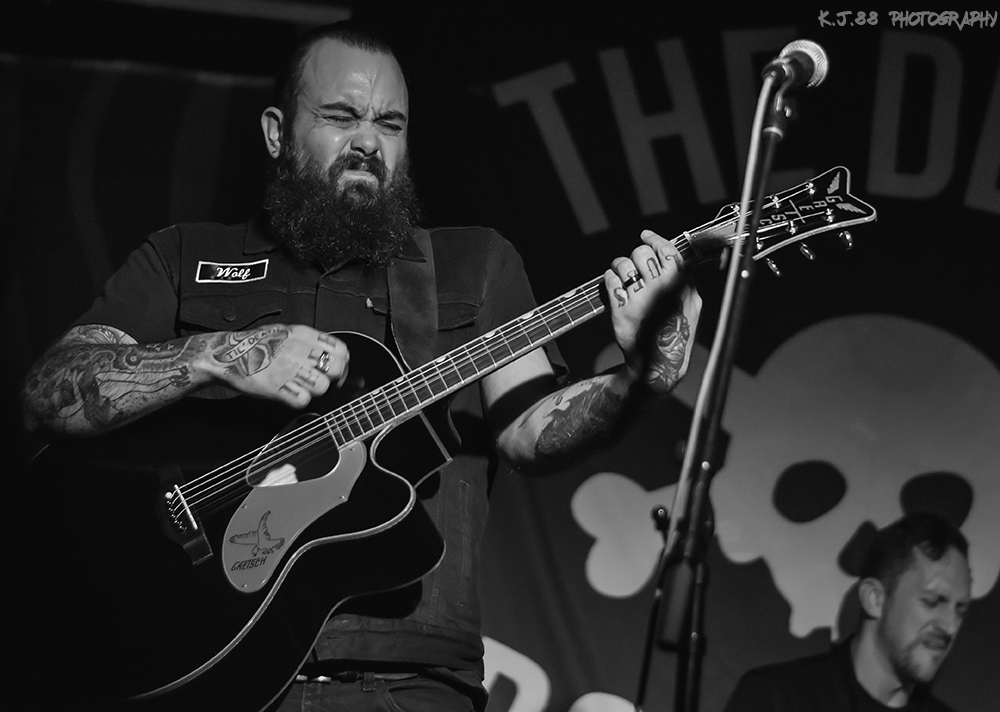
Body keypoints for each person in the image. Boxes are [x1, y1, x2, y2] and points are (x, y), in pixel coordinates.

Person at [19, 20, 701, 712]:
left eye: (390, 124)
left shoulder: (474, 265)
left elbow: (531, 432)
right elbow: (49, 394)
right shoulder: (184, 256)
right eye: (341, 117)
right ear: (276, 133)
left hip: (408, 682)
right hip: (201, 659)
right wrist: (219, 354)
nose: (369, 143)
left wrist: (641, 378)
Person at [723, 512, 972, 712]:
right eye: (932, 601)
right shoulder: (776, 699)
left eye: (960, 610)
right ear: (874, 599)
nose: (950, 626)